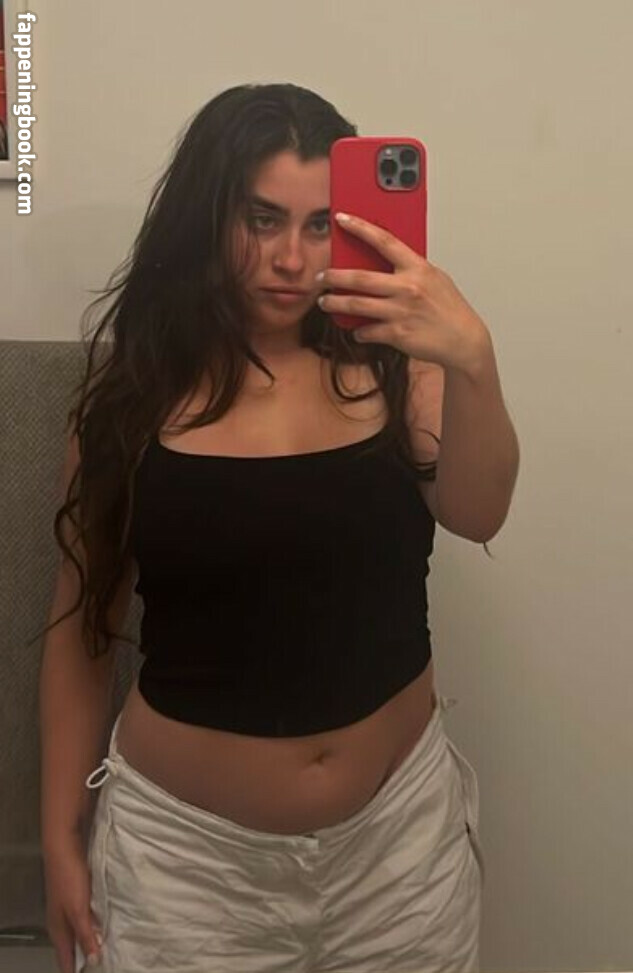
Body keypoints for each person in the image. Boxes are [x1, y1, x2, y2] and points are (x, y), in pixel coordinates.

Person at [39, 82, 519, 973]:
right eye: (261, 220)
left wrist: (471, 360)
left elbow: (477, 509)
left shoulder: (396, 370)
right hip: (184, 871)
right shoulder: (130, 403)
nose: (290, 258)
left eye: (318, 225)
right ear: (207, 216)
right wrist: (59, 835)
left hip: (397, 855)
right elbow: (81, 629)